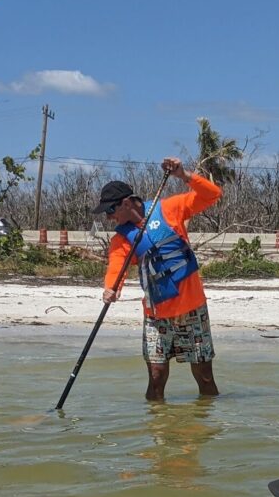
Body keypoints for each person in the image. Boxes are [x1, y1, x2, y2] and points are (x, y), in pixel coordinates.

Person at [94, 157, 222, 401]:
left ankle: (206, 428)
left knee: (205, 378)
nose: (109, 218)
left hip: (192, 309)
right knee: (155, 378)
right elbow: (116, 268)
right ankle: (159, 432)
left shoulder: (168, 209)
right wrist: (110, 290)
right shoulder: (121, 239)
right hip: (156, 316)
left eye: (111, 210)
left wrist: (184, 176)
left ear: (125, 203)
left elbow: (212, 194)